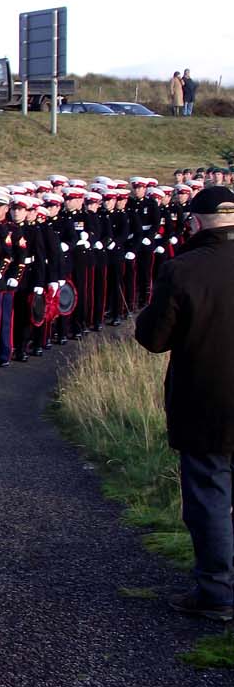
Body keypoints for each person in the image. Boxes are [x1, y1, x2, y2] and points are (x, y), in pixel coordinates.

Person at [135, 186, 234, 620]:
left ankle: (217, 592)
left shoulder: (182, 270)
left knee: (209, 497)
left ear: (194, 224)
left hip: (206, 399)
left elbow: (154, 339)